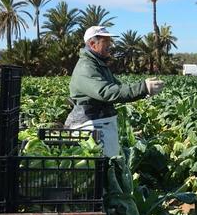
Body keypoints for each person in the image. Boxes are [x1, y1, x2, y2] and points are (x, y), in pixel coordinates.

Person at [64, 26, 164, 157]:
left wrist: (144, 89)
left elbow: (118, 87)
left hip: (100, 124)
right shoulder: (86, 67)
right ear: (93, 44)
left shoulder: (98, 65)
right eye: (106, 42)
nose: (110, 45)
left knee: (108, 167)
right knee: (100, 170)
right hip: (89, 126)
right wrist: (143, 87)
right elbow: (106, 92)